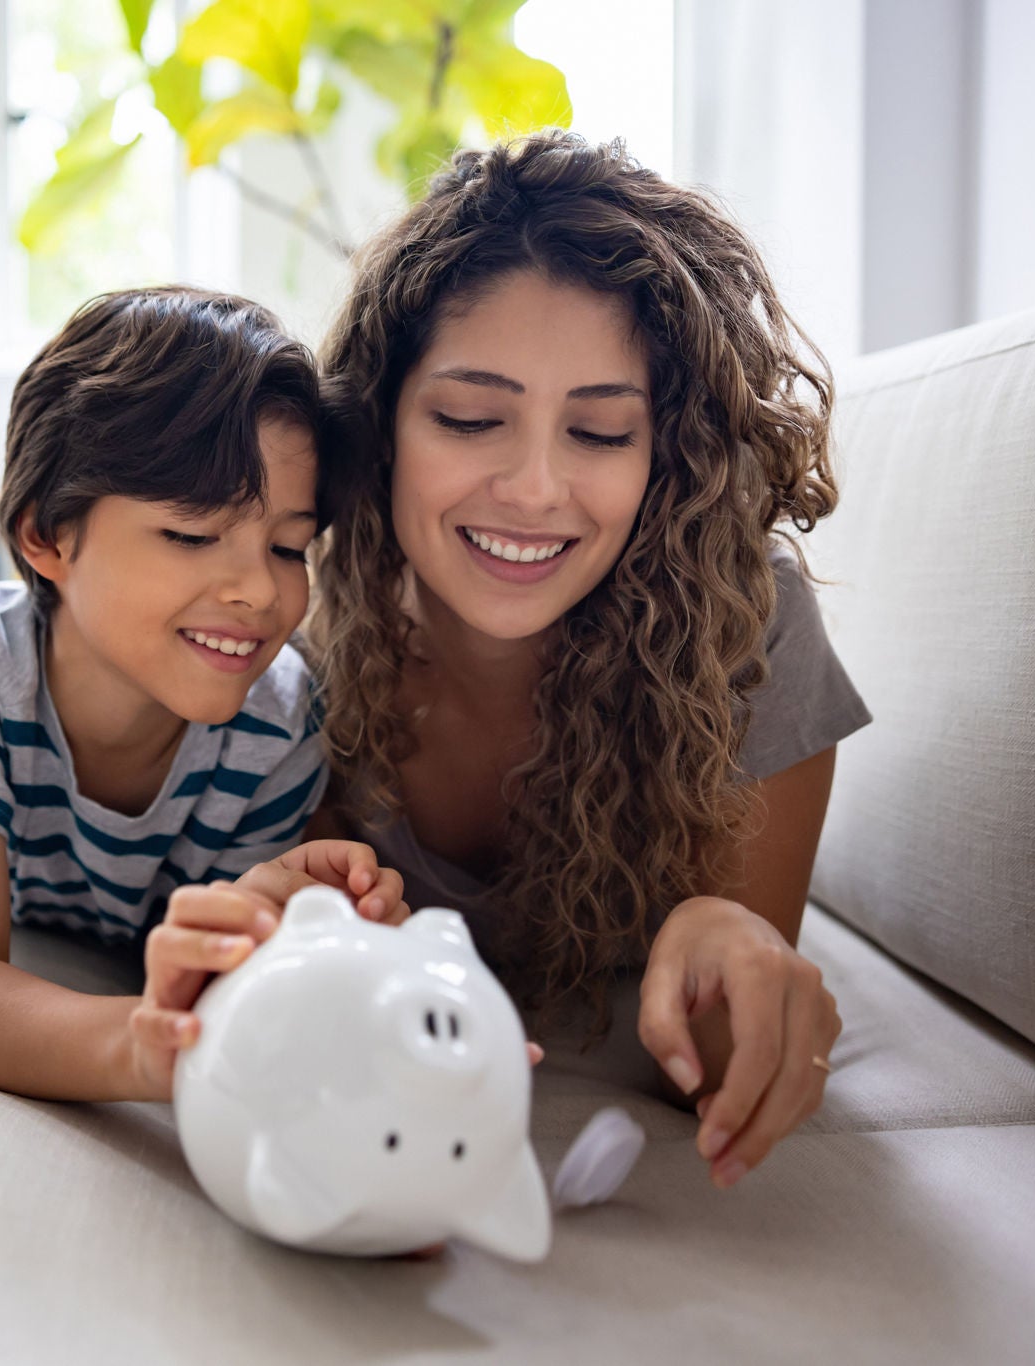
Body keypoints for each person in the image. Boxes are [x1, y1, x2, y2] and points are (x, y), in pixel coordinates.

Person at [307, 131, 871, 1191]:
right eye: (470, 418)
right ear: (380, 423)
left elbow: (703, 1069)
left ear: (667, 459)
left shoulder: (744, 625)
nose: (531, 488)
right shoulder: (294, 617)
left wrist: (726, 940)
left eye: (601, 434)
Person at [0, 286, 407, 1105]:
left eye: (289, 547)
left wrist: (271, 915)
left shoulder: (284, 717)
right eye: (191, 534)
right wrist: (136, 1045)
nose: (258, 589)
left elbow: (226, 964)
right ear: (47, 536)